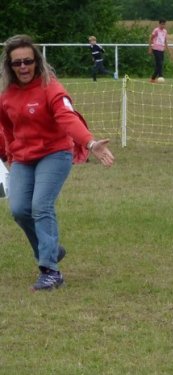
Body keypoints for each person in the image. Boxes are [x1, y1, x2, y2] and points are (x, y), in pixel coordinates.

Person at [0, 34, 115, 291]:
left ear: (37, 61)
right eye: (16, 63)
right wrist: (8, 154)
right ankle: (50, 248)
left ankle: (50, 270)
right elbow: (6, 128)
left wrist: (89, 143)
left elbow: (67, 117)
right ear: (9, 66)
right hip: (22, 158)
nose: (23, 67)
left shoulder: (52, 88)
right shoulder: (6, 95)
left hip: (55, 154)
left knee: (41, 206)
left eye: (27, 61)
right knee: (18, 209)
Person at [148, 19, 169, 83]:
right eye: (162, 24)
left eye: (164, 24)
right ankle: (161, 77)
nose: (163, 25)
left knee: (159, 64)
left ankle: (152, 78)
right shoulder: (156, 30)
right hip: (156, 49)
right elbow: (151, 38)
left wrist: (167, 48)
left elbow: (165, 40)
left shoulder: (165, 31)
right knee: (159, 63)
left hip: (162, 49)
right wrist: (150, 48)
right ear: (159, 24)